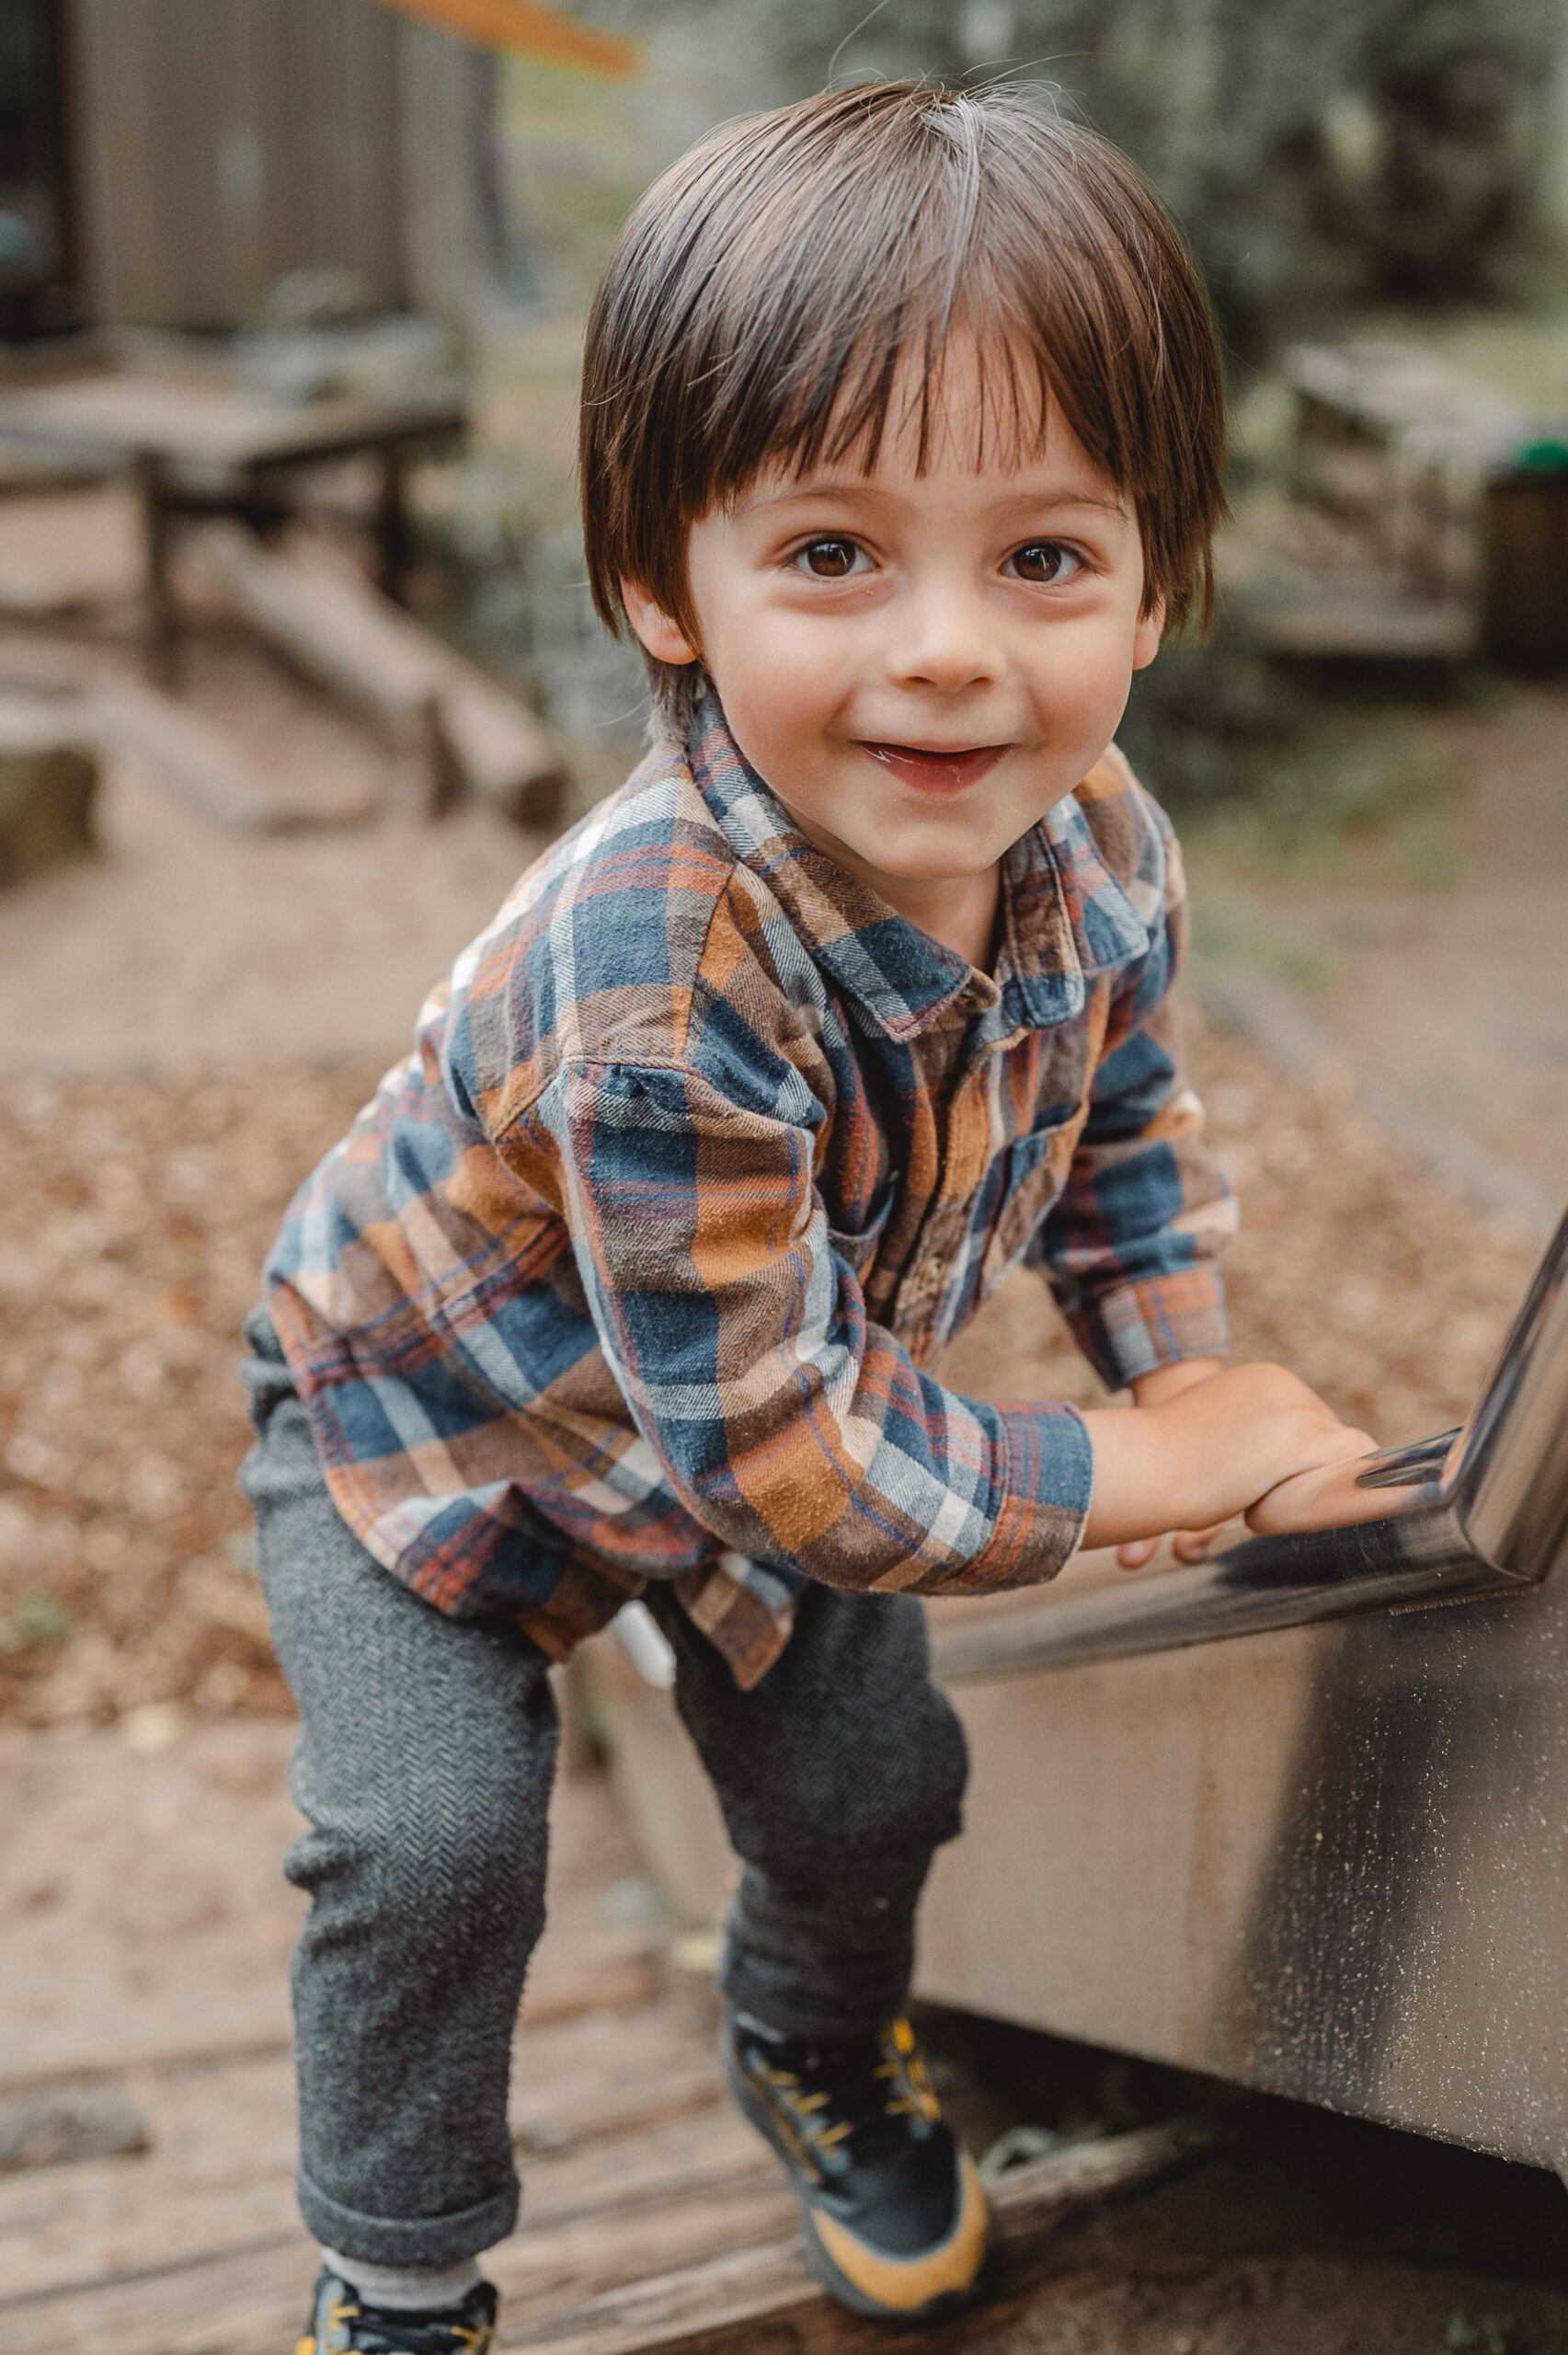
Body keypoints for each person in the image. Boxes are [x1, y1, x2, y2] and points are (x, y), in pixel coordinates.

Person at [243, 82, 1378, 2353]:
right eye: (837, 552)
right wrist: (1136, 1468)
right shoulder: (657, 973)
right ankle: (395, 2280)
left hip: (773, 1396)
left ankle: (810, 2031)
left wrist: (1179, 1365)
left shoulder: (1105, 846)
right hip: (440, 1420)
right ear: (664, 575)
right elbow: (788, 1467)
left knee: (884, 1776)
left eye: (1043, 556)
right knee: (432, 1843)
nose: (951, 649)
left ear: (1157, 582)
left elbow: (1119, 1120)